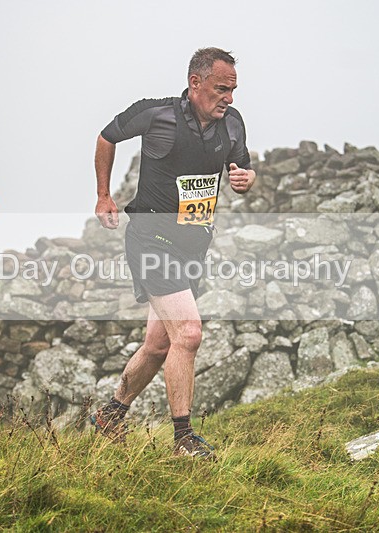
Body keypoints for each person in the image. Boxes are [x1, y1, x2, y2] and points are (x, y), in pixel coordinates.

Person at [91, 48, 256, 458]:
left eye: (233, 90)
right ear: (195, 82)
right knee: (189, 333)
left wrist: (245, 179)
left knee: (158, 345)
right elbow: (107, 136)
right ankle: (183, 438)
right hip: (150, 238)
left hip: (192, 245)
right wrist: (103, 196)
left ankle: (109, 417)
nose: (229, 99)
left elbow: (242, 169)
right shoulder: (156, 114)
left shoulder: (232, 124)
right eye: (222, 89)